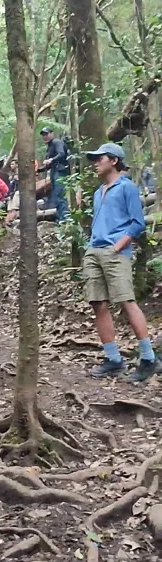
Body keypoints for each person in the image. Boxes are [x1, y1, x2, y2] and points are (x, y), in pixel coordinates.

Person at [83, 143, 159, 383]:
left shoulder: (127, 188)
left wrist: (118, 246)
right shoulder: (98, 192)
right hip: (94, 250)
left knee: (127, 301)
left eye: (100, 158)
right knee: (98, 303)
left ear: (114, 160)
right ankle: (113, 359)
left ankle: (148, 358)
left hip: (115, 251)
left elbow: (137, 223)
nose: (95, 163)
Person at [40, 127, 69, 222]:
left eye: (46, 134)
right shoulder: (49, 146)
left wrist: (51, 160)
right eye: (43, 135)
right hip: (54, 171)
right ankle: (60, 217)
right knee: (56, 196)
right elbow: (49, 164)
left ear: (52, 134)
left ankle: (64, 219)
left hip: (60, 171)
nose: (45, 136)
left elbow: (61, 154)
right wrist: (39, 170)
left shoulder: (57, 142)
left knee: (60, 195)